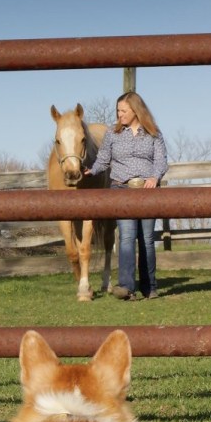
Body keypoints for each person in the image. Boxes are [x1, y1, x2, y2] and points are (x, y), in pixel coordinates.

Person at [84, 91, 168, 300]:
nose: (119, 114)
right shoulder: (113, 134)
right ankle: (126, 287)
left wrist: (154, 177)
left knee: (147, 239)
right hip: (121, 189)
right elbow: (103, 160)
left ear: (135, 110)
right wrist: (91, 171)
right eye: (118, 110)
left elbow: (161, 161)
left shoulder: (153, 133)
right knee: (127, 237)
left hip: (147, 191)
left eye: (123, 110)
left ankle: (150, 287)